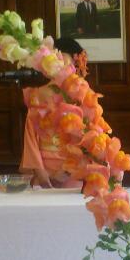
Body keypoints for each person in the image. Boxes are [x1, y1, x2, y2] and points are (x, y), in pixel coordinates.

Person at [20, 37, 88, 188]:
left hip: (73, 170)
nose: (61, 66)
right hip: (42, 170)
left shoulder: (82, 94)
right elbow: (31, 138)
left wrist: (67, 171)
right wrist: (42, 174)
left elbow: (88, 136)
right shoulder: (37, 94)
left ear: (76, 64)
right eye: (56, 60)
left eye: (65, 61)